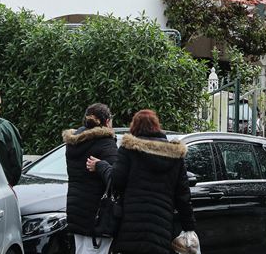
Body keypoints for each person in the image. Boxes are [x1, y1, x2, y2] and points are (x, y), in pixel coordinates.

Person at [87, 109, 195, 254]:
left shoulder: (129, 150)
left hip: (131, 225)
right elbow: (183, 197)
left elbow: (116, 181)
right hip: (161, 227)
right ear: (157, 126)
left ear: (134, 127)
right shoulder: (175, 155)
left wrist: (101, 165)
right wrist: (189, 227)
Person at [63, 103, 119, 254]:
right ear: (107, 121)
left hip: (77, 210)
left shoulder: (74, 143)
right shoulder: (105, 143)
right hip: (97, 214)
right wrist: (102, 166)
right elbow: (116, 179)